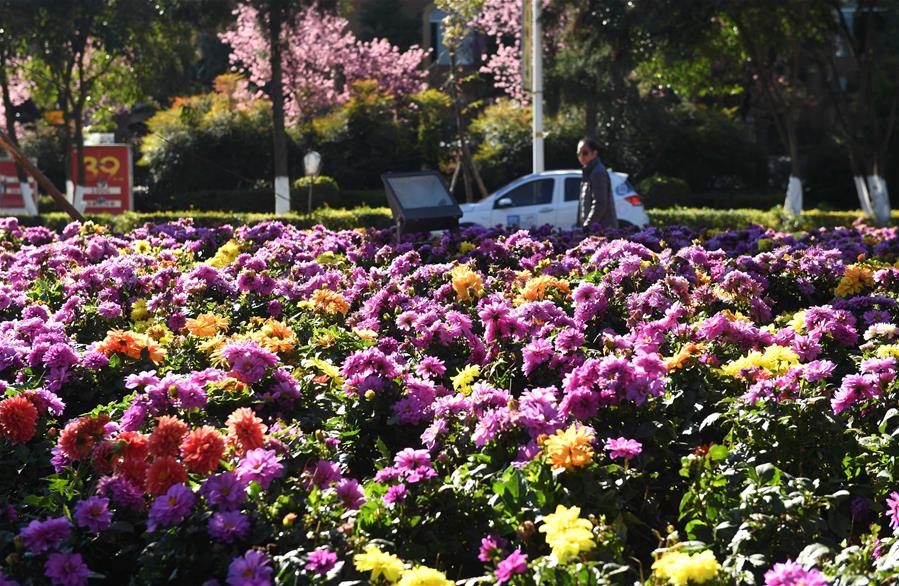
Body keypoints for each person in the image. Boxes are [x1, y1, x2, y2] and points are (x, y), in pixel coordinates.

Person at [576, 138, 618, 229]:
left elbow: (600, 203)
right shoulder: (588, 171)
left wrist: (588, 225)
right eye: (578, 153)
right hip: (595, 230)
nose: (581, 156)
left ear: (594, 153)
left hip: (602, 231)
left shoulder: (597, 172)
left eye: (585, 153)